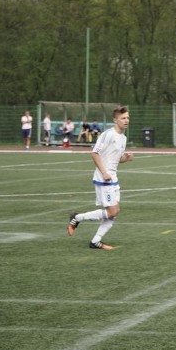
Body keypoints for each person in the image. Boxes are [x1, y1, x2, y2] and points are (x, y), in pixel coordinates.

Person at [67, 106, 134, 250]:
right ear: (115, 120)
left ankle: (96, 241)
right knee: (112, 211)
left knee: (114, 213)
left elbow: (116, 159)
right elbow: (95, 153)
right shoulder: (107, 134)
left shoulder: (123, 138)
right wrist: (104, 172)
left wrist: (125, 158)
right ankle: (77, 217)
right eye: (123, 118)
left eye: (127, 118)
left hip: (113, 178)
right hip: (104, 179)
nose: (126, 120)